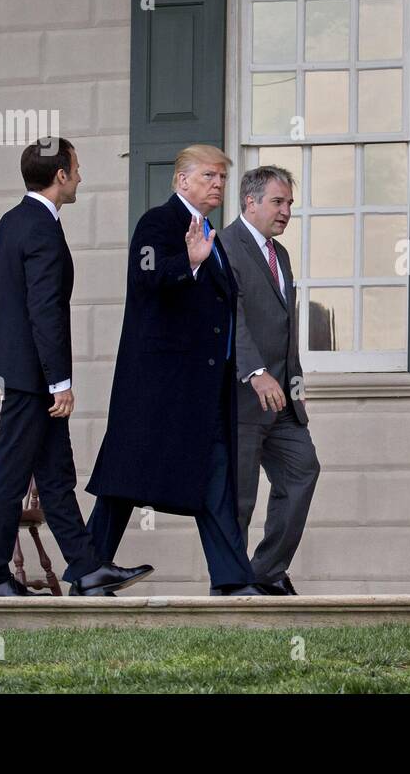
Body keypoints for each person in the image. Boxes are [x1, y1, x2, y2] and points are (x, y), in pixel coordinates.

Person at [0, 137, 153, 597]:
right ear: (61, 176)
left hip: (19, 370)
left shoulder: (12, 221)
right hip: (34, 379)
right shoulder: (42, 229)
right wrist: (60, 383)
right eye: (77, 168)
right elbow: (45, 310)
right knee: (11, 476)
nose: (81, 177)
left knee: (55, 475)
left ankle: (88, 568)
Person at [85, 144, 268, 596]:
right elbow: (147, 276)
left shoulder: (210, 234)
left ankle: (231, 579)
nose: (218, 185)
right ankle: (88, 570)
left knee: (214, 473)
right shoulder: (159, 222)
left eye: (222, 178)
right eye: (209, 176)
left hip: (204, 385)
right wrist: (188, 261)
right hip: (159, 384)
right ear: (182, 180)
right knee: (124, 478)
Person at [219, 166, 320, 596]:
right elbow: (230, 318)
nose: (286, 211)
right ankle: (229, 585)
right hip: (243, 395)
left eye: (290, 204)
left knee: (302, 472)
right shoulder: (224, 246)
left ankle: (266, 571)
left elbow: (282, 324)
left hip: (283, 400)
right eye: (278, 202)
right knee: (239, 499)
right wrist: (256, 373)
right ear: (250, 201)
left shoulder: (281, 255)